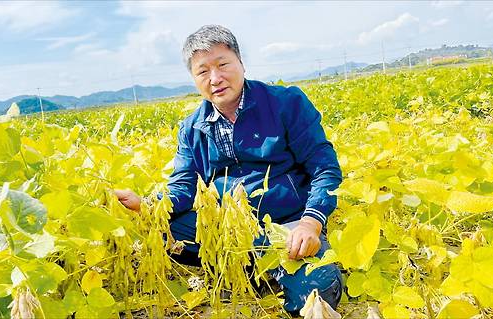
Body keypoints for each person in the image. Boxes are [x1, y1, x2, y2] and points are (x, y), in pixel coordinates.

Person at [114, 24, 343, 312]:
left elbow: (325, 168)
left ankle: (260, 266)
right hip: (229, 230)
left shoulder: (286, 104)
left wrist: (311, 222)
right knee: (161, 230)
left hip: (287, 226)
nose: (215, 78)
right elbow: (184, 186)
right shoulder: (191, 128)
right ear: (194, 79)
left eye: (223, 64)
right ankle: (252, 265)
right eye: (202, 71)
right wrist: (147, 205)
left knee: (316, 294)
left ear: (241, 63)